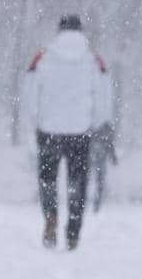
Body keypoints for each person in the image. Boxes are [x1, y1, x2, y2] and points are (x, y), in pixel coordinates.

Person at [21, 14, 112, 249]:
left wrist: (37, 120)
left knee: (47, 179)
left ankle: (50, 215)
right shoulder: (93, 58)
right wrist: (94, 122)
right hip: (80, 130)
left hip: (49, 129)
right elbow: (103, 96)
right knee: (78, 182)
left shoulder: (44, 56)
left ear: (59, 30)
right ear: (81, 31)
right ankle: (73, 232)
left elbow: (30, 92)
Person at [89, 121, 117, 213]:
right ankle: (95, 204)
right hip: (97, 162)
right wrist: (113, 158)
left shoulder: (95, 134)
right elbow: (110, 148)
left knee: (95, 182)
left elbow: (110, 148)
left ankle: (92, 204)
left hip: (92, 161)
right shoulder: (105, 137)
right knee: (99, 183)